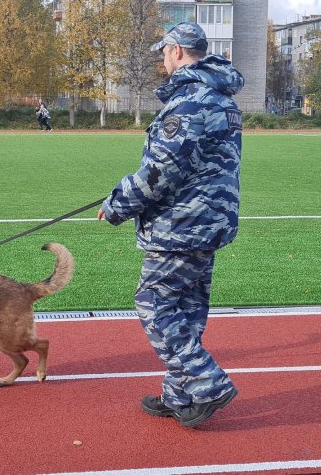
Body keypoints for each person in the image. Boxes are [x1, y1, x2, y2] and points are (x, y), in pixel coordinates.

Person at [97, 22, 242, 428]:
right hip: (209, 218)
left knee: (154, 304)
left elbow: (161, 171)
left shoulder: (189, 102)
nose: (162, 60)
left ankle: (206, 382)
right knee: (188, 308)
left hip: (182, 223)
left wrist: (117, 205)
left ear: (177, 51)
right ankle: (181, 394)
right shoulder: (218, 97)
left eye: (164, 53)